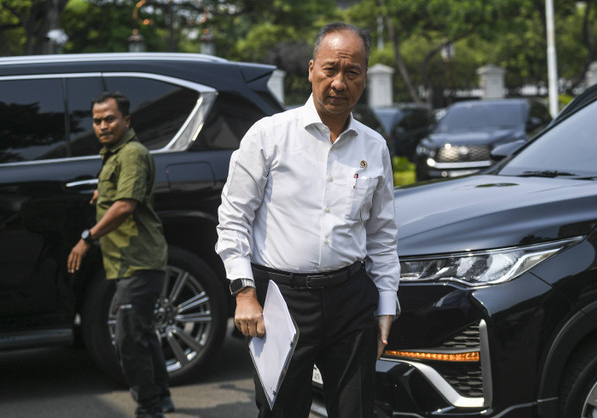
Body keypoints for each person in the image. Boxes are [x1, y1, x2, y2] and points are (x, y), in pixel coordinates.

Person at [216, 22, 400, 418]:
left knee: (357, 411)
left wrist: (386, 303)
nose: (339, 82)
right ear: (312, 68)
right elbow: (233, 218)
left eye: (352, 72)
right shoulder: (268, 136)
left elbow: (382, 235)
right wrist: (244, 293)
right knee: (281, 411)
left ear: (364, 78)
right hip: (281, 300)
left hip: (352, 300)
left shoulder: (374, 146)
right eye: (330, 69)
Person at [67, 92, 174, 418]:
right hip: (127, 260)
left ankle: (148, 409)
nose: (102, 126)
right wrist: (104, 192)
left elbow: (126, 205)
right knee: (140, 331)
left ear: (126, 121)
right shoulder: (115, 155)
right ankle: (162, 397)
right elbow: (121, 193)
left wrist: (87, 237)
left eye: (109, 119)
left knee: (128, 338)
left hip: (139, 260)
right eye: (97, 120)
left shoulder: (131, 154)